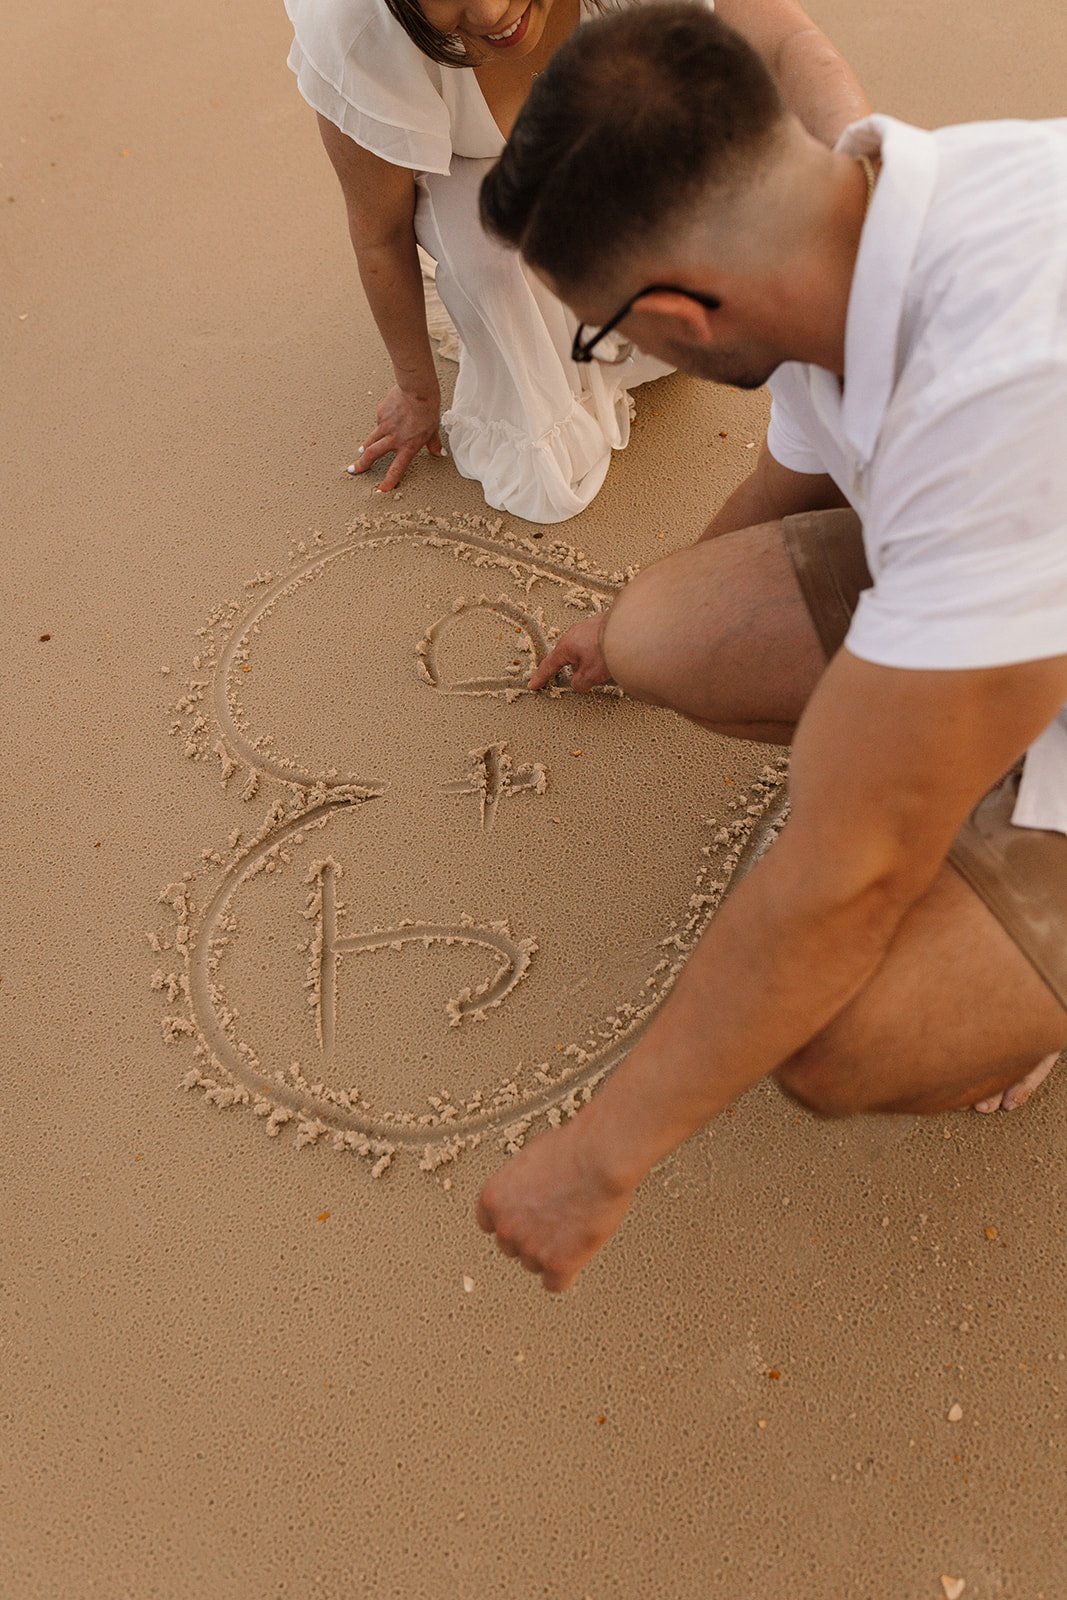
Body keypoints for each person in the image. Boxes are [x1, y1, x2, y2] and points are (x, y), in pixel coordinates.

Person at [473, 4, 1067, 1289]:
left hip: (1016, 557)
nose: (615, 352)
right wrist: (619, 625)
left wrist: (597, 1159)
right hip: (1011, 598)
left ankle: (1028, 961)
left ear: (681, 307)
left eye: (602, 331)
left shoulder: (1006, 391)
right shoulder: (850, 213)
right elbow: (790, 489)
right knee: (666, 630)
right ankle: (968, 759)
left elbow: (844, 874)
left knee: (838, 1034)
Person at [283, 0, 868, 521]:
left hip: (618, 113)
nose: (489, 14)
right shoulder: (354, 26)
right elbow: (379, 232)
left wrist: (862, 180)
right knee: (494, 260)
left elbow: (790, 41)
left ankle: (633, 329)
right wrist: (417, 392)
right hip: (468, 166)